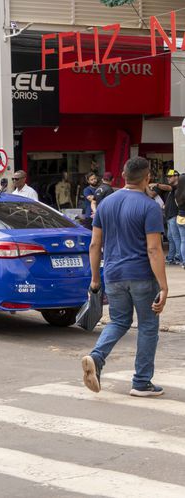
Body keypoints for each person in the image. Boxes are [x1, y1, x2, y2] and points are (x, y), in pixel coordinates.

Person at [82, 157, 168, 398]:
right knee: (148, 326)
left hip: (113, 274)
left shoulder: (105, 204)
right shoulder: (149, 206)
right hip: (141, 274)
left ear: (123, 175)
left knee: (119, 321)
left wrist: (95, 278)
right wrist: (164, 285)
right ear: (147, 177)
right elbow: (153, 249)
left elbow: (94, 244)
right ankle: (141, 382)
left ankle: (97, 357)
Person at [160, 170, 180, 265]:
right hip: (169, 216)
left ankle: (178, 257)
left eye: (170, 176)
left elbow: (167, 187)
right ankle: (171, 257)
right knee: (171, 238)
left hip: (174, 216)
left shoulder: (177, 186)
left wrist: (157, 185)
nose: (168, 178)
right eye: (167, 176)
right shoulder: (172, 188)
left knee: (176, 237)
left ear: (176, 176)